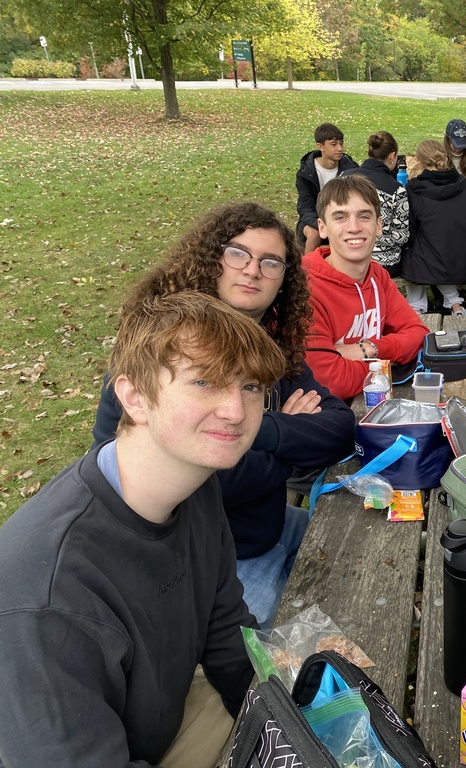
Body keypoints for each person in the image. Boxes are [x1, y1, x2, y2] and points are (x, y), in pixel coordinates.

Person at [0, 292, 286, 767]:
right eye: (204, 381)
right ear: (134, 397)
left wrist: (295, 724)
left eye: (251, 386)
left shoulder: (194, 482)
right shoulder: (44, 598)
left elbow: (229, 637)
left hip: (163, 723)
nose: (235, 410)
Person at [92, 201, 356, 628]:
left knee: (358, 560)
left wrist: (260, 433)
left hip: (273, 528)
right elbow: (180, 483)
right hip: (206, 566)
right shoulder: (160, 346)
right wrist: (288, 445)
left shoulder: (273, 346)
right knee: (261, 675)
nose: (253, 270)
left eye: (271, 262)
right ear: (212, 257)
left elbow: (340, 430)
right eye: (238, 253)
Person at [304, 175, 428, 400]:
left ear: (379, 225)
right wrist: (394, 366)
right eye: (340, 217)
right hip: (319, 417)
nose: (354, 227)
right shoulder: (304, 288)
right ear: (322, 227)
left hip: (372, 402)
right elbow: (329, 381)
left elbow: (418, 334)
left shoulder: (376, 275)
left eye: (364, 216)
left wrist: (369, 348)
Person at [401, 139, 466, 315]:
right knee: (437, 248)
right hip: (464, 259)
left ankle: (416, 306)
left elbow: (410, 232)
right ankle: (454, 303)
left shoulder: (414, 190)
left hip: (434, 261)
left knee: (416, 251)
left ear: (420, 162)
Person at [343, 130, 410, 277]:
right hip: (384, 264)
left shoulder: (343, 178)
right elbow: (401, 237)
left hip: (346, 257)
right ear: (392, 156)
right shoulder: (396, 190)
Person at [296, 122, 360, 253]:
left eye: (341, 143)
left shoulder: (351, 170)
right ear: (320, 146)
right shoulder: (306, 173)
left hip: (341, 217)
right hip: (314, 219)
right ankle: (306, 271)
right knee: (314, 234)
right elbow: (304, 207)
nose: (340, 148)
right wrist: (323, 224)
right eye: (334, 144)